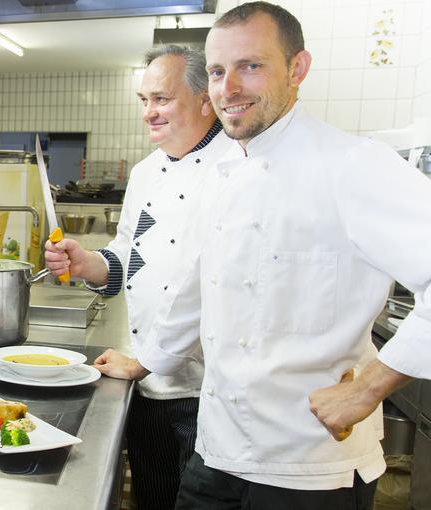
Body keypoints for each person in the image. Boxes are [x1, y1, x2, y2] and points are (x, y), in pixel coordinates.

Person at [83, 3, 431, 508]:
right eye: (220, 71)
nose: (230, 88)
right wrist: (146, 363)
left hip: (308, 466)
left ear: (297, 69)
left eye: (251, 66)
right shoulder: (226, 173)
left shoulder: (351, 165)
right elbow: (200, 290)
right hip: (218, 449)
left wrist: (370, 388)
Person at [44, 45, 229, 509]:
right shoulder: (146, 173)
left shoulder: (236, 165)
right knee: (153, 497)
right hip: (147, 380)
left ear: (205, 100)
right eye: (143, 100)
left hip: (208, 390)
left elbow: (205, 281)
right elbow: (129, 253)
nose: (149, 112)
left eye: (161, 99)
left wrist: (148, 359)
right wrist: (86, 261)